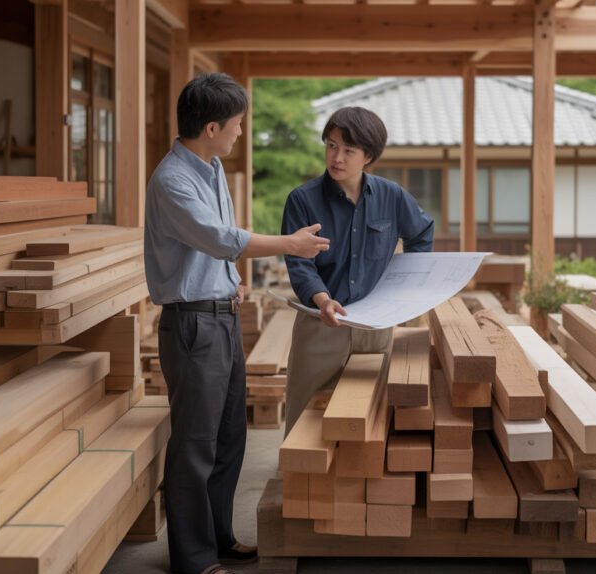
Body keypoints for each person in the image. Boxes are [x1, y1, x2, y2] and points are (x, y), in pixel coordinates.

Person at [144, 73, 329, 574]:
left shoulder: (211, 166)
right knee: (195, 444)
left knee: (229, 437)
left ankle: (220, 538)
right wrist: (290, 244)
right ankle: (193, 559)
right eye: (237, 125)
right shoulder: (172, 180)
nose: (240, 133)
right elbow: (220, 236)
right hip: (192, 327)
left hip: (221, 319)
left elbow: (216, 250)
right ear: (211, 127)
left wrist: (231, 280)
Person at [280, 106, 434, 437]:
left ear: (368, 156)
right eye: (331, 145)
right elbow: (299, 262)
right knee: (303, 420)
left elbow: (421, 236)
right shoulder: (302, 201)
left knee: (371, 417)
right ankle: (296, 482)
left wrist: (402, 293)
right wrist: (323, 301)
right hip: (320, 324)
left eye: (348, 150)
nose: (337, 157)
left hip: (375, 326)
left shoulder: (392, 196)